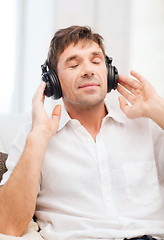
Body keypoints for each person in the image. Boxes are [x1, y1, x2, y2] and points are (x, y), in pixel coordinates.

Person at [0, 25, 164, 240]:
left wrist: (160, 112)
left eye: (96, 61)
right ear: (53, 82)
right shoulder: (34, 135)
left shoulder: (147, 125)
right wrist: (38, 139)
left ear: (110, 73)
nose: (88, 70)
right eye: (74, 64)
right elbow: (8, 226)